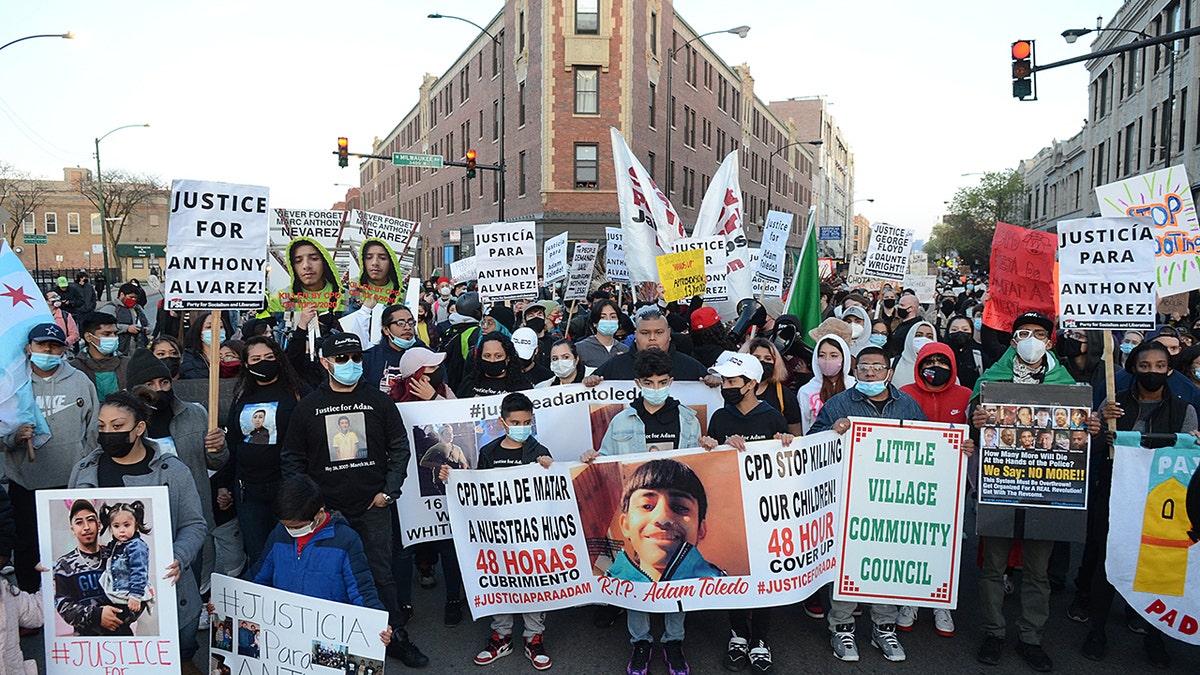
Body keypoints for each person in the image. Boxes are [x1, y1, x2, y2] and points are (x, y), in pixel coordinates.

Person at [279, 332, 427, 667]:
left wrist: (389, 490)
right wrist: (310, 505)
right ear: (325, 363)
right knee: (328, 577)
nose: (350, 365)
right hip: (326, 514)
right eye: (342, 359)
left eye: (356, 358)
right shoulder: (308, 407)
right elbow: (292, 459)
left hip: (372, 508)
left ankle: (396, 636)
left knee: (380, 575)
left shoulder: (379, 401)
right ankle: (334, 644)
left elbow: (399, 447)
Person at [969, 311, 1097, 672]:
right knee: (993, 567)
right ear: (1013, 341)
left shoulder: (1067, 383)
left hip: (1048, 490)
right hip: (1002, 486)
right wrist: (974, 420)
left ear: (1049, 341)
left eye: (1038, 333)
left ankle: (1031, 638)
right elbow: (972, 421)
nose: (1030, 339)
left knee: (1038, 571)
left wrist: (1090, 425)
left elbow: (1080, 432)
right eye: (1023, 333)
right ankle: (993, 632)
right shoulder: (992, 378)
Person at [68, 390, 208, 669]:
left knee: (177, 662)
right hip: (104, 599)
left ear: (140, 428)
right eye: (101, 426)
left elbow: (194, 524)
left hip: (170, 596)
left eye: (117, 426)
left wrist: (179, 556)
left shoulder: (173, 471)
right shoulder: (83, 470)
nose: (108, 433)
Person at [810, 345, 928, 663]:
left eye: (877, 368)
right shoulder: (839, 404)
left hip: (893, 499)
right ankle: (842, 628)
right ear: (855, 371)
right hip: (850, 497)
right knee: (847, 563)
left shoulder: (909, 406)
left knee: (885, 564)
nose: (871, 373)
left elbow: (930, 448)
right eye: (864, 368)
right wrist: (832, 433)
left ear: (889, 372)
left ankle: (883, 627)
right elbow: (813, 443)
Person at [1078, 341, 1189, 668]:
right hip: (1115, 494)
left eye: (1158, 366)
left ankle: (1156, 635)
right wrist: (1098, 425)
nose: (1152, 372)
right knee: (1107, 560)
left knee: (1157, 566)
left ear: (1169, 369)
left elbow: (1186, 457)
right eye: (1144, 366)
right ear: (1133, 370)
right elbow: (1094, 449)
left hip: (1160, 500)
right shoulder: (1115, 404)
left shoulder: (1185, 412)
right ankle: (1097, 630)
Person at [440, 393, 555, 670]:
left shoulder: (540, 452)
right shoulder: (489, 452)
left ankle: (533, 636)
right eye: (515, 422)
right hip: (498, 535)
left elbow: (550, 493)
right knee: (499, 581)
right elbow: (477, 490)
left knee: (533, 584)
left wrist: (549, 469)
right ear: (503, 422)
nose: (522, 426)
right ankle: (501, 635)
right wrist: (451, 478)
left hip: (530, 535)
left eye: (527, 422)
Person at [696, 352, 790, 674]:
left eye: (733, 381)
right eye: (724, 381)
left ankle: (760, 639)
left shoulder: (773, 416)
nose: (726, 386)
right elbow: (712, 461)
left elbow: (789, 463)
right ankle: (738, 634)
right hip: (731, 510)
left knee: (765, 578)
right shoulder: (721, 417)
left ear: (751, 384)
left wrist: (787, 443)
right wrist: (713, 446)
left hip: (767, 515)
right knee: (734, 573)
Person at [239, 475, 403, 657]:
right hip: (287, 637)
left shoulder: (345, 540)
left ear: (319, 513)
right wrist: (228, 600)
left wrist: (377, 623)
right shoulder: (279, 534)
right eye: (286, 526)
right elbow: (259, 575)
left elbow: (362, 590)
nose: (291, 531)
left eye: (297, 526)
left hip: (328, 635)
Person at [3, 324, 98, 592]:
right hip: (26, 483)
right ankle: (32, 600)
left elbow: (93, 429)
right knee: (27, 545)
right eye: (42, 345)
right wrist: (14, 438)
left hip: (69, 482)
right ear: (28, 347)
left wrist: (85, 466)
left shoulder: (80, 381)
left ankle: (68, 602)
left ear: (64, 349)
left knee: (70, 544)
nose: (48, 350)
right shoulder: (12, 385)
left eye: (55, 345)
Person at [897, 341, 972, 637]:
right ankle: (909, 600)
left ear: (952, 365)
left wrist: (971, 444)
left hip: (951, 483)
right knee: (911, 541)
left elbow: (977, 433)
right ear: (919, 364)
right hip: (912, 481)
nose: (936, 368)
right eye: (930, 362)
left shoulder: (965, 396)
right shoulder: (905, 394)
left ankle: (941, 601)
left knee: (945, 543)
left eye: (943, 362)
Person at [222, 336, 309, 562]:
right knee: (259, 554)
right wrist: (224, 484)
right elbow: (233, 441)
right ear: (247, 364)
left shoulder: (296, 391)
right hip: (248, 489)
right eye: (257, 358)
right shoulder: (242, 395)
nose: (264, 362)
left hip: (286, 485)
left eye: (269, 357)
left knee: (291, 552)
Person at [590, 307, 712, 384]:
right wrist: (589, 382)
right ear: (635, 335)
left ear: (669, 334)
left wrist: (713, 382)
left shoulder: (690, 367)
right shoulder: (616, 365)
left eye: (659, 332)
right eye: (645, 333)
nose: (652, 338)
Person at [98, 501, 153, 622]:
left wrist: (135, 596)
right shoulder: (118, 544)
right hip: (118, 592)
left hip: (129, 594)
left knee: (117, 623)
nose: (121, 530)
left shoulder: (136, 547)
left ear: (136, 525)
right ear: (111, 528)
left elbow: (139, 572)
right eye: (116, 526)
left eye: (126, 525)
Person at [740, 337, 804, 436]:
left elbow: (796, 434)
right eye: (756, 357)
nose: (762, 362)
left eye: (768, 358)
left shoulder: (784, 395)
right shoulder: (732, 391)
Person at [360, 305, 427, 394]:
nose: (407, 327)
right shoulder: (369, 358)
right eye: (400, 323)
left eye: (411, 322)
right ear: (386, 330)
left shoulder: (427, 356)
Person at [798, 332, 854, 435]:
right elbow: (805, 427)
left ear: (844, 358)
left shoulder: (854, 386)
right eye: (822, 355)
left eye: (834, 355)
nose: (827, 360)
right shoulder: (806, 391)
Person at [70, 312, 130, 399]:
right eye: (106, 334)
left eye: (115, 334)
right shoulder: (75, 368)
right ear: (88, 337)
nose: (113, 338)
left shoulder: (127, 364)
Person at [456, 332, 532, 398]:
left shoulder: (522, 387)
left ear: (508, 358)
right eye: (487, 356)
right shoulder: (469, 382)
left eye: (498, 356)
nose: (492, 360)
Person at [439, 291, 482, 390]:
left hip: (450, 381)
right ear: (476, 311)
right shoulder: (475, 332)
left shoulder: (451, 328)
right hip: (464, 383)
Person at [576, 299, 630, 368]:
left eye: (613, 317)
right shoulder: (580, 349)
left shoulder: (624, 349)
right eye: (603, 317)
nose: (608, 320)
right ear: (595, 323)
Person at [945, 315, 988, 389]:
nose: (960, 332)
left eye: (965, 329)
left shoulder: (979, 355)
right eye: (954, 330)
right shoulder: (942, 355)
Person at [890, 321, 937, 389]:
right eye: (918, 335)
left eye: (929, 337)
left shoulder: (940, 366)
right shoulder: (892, 363)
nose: (924, 339)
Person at [112, 283, 150, 355]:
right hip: (122, 347)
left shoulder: (137, 307)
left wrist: (147, 329)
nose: (133, 300)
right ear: (122, 295)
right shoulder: (113, 308)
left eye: (135, 298)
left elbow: (148, 323)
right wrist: (127, 328)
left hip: (139, 345)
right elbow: (106, 326)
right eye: (131, 297)